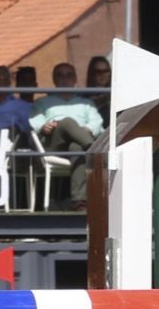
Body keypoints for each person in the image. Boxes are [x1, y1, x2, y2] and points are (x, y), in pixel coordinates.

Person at [33, 62, 105, 206]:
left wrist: (87, 129)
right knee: (67, 122)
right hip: (55, 144)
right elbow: (35, 121)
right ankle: (98, 153)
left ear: (75, 78)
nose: (64, 79)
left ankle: (79, 201)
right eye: (60, 75)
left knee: (76, 147)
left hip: (79, 144)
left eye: (69, 75)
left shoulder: (86, 103)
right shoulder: (43, 102)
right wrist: (44, 126)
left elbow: (97, 123)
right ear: (54, 79)